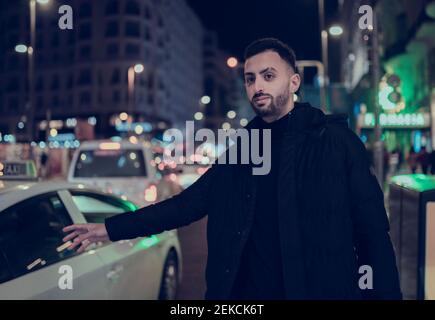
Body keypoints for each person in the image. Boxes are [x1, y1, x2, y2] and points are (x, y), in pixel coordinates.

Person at [63, 38, 402, 300]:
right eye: (250, 78)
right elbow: (188, 204)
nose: (258, 86)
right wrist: (109, 229)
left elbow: (373, 235)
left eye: (269, 76)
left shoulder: (337, 143)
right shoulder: (244, 149)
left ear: (295, 82)